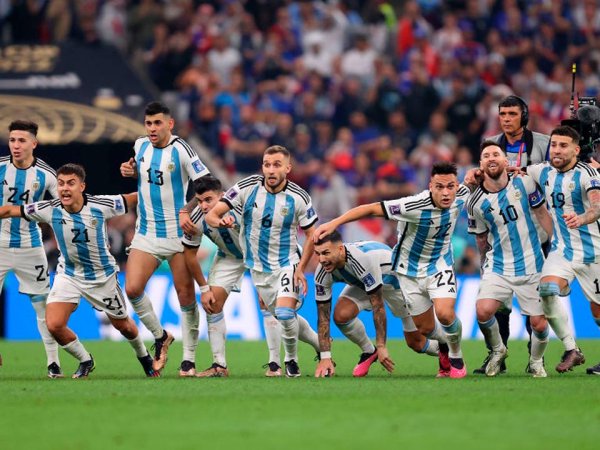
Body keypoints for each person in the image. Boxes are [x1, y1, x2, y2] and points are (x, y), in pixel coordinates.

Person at [0, 164, 158, 378]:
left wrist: (165, 194)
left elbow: (134, 198)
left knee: (123, 326)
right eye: (61, 184)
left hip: (102, 277)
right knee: (54, 324)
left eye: (71, 183)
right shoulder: (49, 208)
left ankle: (144, 356)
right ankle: (85, 360)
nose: (64, 188)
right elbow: (10, 210)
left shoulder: (101, 205)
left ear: (82, 186)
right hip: (69, 275)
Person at [315, 162, 471, 378]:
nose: (446, 192)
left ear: (456, 186)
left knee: (425, 333)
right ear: (430, 186)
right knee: (344, 315)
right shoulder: (412, 205)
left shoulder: (460, 194)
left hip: (414, 273)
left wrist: (480, 173)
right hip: (405, 272)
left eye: (450, 186)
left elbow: (476, 181)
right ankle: (369, 350)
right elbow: (371, 208)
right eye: (439, 187)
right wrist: (335, 223)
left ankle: (453, 353)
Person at [181, 175, 319, 377]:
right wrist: (203, 289)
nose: (203, 206)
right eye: (200, 201)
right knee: (212, 303)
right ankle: (219, 365)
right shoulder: (196, 218)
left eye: (209, 200)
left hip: (262, 255)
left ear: (222, 196)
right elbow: (189, 254)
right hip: (229, 257)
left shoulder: (240, 205)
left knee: (276, 309)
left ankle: (276, 363)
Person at [120, 101, 210, 375]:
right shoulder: (140, 145)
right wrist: (131, 170)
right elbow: (145, 173)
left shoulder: (181, 149)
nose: (152, 128)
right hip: (146, 232)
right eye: (148, 123)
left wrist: (187, 210)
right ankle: (161, 336)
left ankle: (188, 359)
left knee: (185, 296)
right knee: (132, 289)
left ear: (170, 124)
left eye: (157, 123)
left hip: (177, 234)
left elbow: (206, 185)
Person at [477, 95, 551, 374]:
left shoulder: (543, 143)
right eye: (503, 114)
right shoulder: (491, 144)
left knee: (537, 308)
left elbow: (554, 173)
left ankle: (536, 357)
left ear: (524, 116)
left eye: (512, 113)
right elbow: (484, 178)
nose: (506, 119)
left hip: (537, 231)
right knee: (500, 306)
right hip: (503, 232)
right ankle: (498, 355)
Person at [312, 231, 448, 378]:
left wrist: (382, 346)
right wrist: (325, 357)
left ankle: (450, 350)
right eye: (318, 254)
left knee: (417, 343)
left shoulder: (361, 260)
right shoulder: (322, 272)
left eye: (326, 253)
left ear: (340, 249)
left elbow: (378, 306)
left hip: (395, 283)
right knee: (341, 315)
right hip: (365, 281)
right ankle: (369, 351)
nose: (321, 259)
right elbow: (323, 316)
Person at [527, 125, 600, 374]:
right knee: (547, 290)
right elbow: (513, 171)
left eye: (563, 145)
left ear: (576, 150)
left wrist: (582, 218)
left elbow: (597, 207)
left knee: (598, 313)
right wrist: (477, 174)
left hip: (593, 252)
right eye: (554, 145)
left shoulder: (588, 173)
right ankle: (572, 349)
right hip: (562, 251)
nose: (556, 150)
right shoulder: (542, 171)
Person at [0, 120, 62, 378]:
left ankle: (53, 363)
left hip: (31, 247)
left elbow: (65, 207)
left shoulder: (46, 175)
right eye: (12, 140)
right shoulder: (0, 167)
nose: (15, 145)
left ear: (34, 143)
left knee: (41, 306)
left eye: (21, 140)